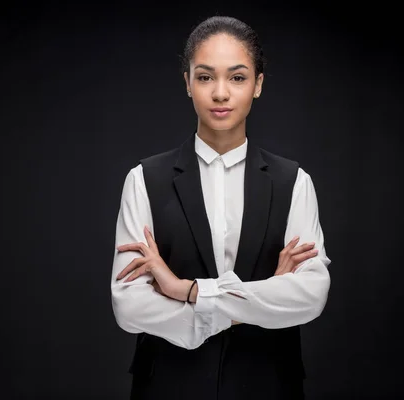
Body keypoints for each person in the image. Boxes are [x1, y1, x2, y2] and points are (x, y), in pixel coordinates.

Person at [110, 15, 331, 400]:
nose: (221, 93)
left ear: (258, 85)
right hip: (168, 387)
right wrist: (260, 297)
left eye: (238, 77)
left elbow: (310, 295)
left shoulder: (294, 181)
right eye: (206, 76)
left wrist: (188, 290)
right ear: (187, 83)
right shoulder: (144, 179)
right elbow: (129, 306)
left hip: (268, 385)